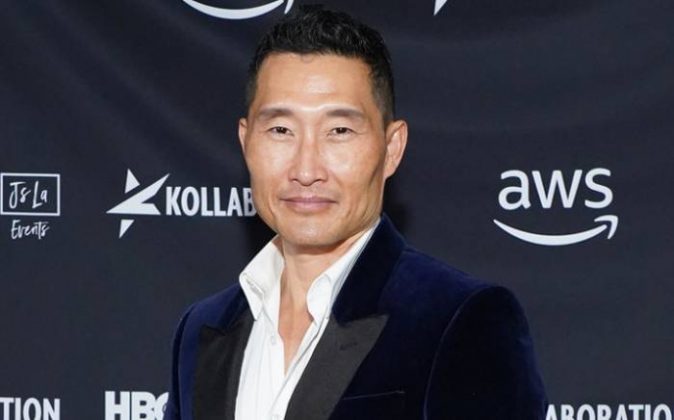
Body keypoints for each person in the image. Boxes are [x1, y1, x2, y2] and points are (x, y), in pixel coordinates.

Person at [164, 6, 546, 420]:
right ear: (246, 142)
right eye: (281, 130)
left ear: (391, 148)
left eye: (339, 131)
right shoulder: (201, 329)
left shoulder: (461, 320)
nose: (306, 169)